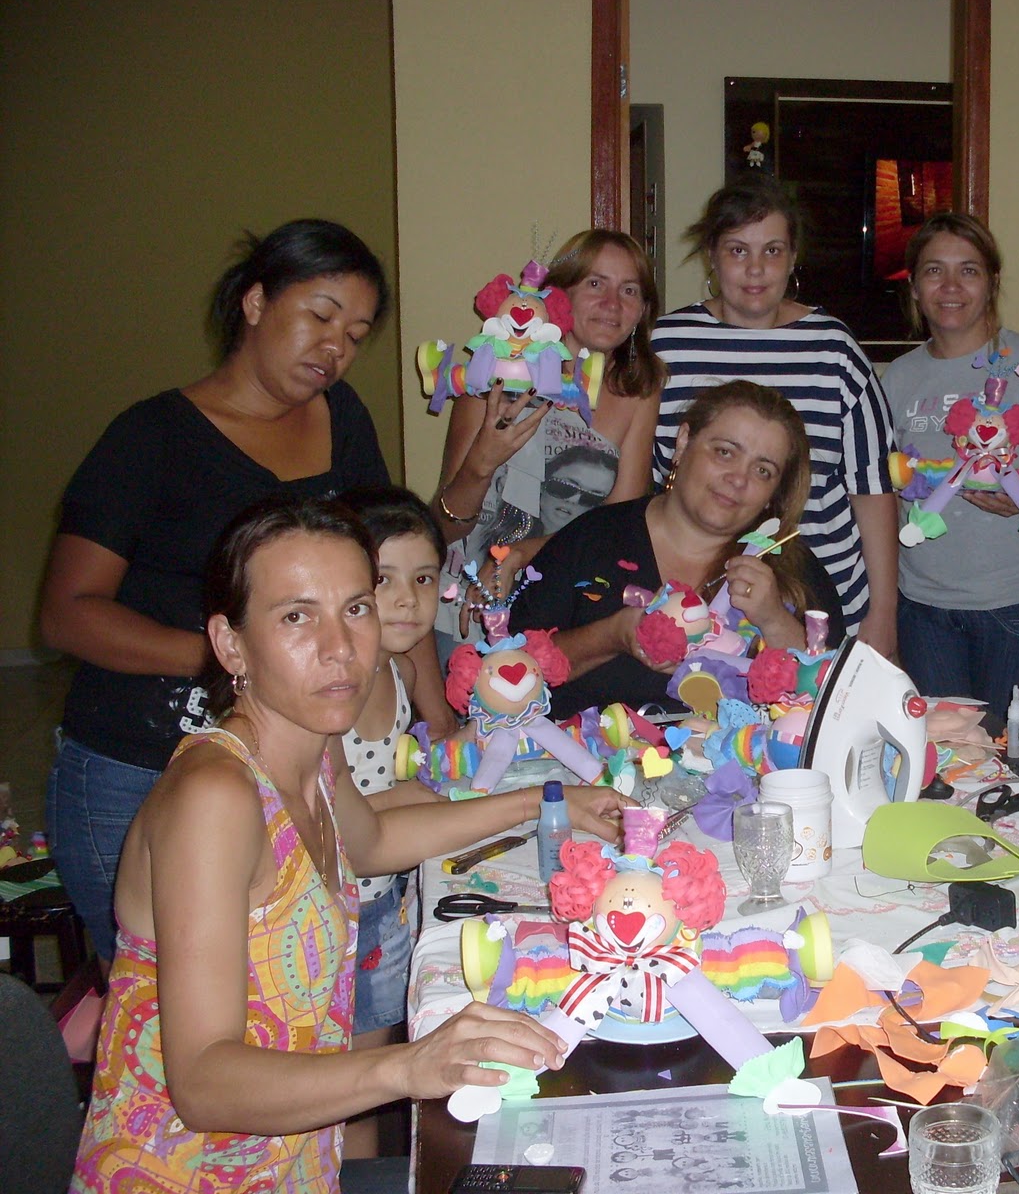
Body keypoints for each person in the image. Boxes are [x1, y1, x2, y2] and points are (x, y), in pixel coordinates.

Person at [71, 496, 631, 1191]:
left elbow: (372, 840)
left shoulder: (311, 746)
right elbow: (204, 1082)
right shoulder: (213, 798)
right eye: (296, 616)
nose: (340, 647)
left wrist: (542, 804)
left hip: (297, 1168)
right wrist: (407, 1065)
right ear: (231, 644)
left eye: (355, 608)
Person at [38, 218, 413, 964]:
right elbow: (66, 614)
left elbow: (380, 567)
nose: (335, 348)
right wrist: (228, 663)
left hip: (287, 762)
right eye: (320, 316)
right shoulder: (152, 438)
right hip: (138, 765)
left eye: (356, 334)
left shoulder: (343, 419)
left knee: (286, 983)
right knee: (170, 1001)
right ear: (255, 302)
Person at [650, 176, 897, 656]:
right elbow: (651, 476)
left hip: (822, 599)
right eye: (738, 250)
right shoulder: (666, 344)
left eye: (773, 250)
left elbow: (873, 490)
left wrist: (883, 614)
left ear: (793, 256)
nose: (756, 269)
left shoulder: (834, 349)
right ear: (712, 255)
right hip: (693, 600)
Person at [514, 381, 846, 720]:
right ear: (684, 442)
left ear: (774, 493)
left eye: (763, 471)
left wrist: (774, 620)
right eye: (725, 452)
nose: (738, 479)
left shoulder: (792, 569)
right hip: (577, 752)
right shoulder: (591, 538)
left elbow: (840, 702)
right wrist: (612, 636)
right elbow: (510, 672)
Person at [884, 212, 1019, 750]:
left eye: (968, 270)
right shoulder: (896, 377)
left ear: (992, 282)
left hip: (1017, 609)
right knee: (945, 768)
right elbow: (889, 491)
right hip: (924, 611)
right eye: (934, 270)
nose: (951, 286)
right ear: (915, 286)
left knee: (1011, 765)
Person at [432, 229, 666, 650]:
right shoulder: (495, 371)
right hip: (468, 608)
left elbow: (618, 528)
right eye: (595, 283)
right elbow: (441, 528)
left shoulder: (639, 391)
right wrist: (479, 466)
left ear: (642, 310)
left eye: (629, 290)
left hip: (563, 610)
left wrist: (520, 553)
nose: (612, 303)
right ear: (560, 295)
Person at [332, 486, 448, 1159]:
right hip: (327, 914)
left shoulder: (397, 670)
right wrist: (418, 802)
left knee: (366, 1089)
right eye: (385, 580)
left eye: (424, 579)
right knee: (333, 1086)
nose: (407, 600)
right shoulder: (332, 692)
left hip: (382, 910)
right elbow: (330, 826)